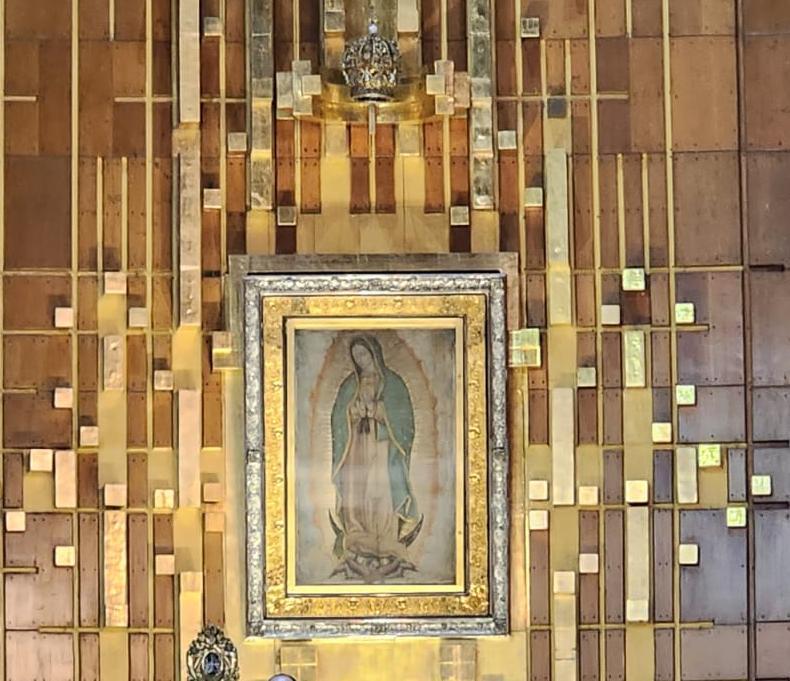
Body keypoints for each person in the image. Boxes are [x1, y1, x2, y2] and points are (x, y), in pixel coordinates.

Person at [328, 335, 423, 581]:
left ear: (374, 353)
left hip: (382, 446)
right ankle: (358, 537)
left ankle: (385, 539)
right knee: (357, 490)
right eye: (356, 356)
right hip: (355, 448)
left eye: (364, 354)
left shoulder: (393, 383)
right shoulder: (349, 385)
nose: (361, 360)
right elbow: (338, 417)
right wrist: (352, 413)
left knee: (380, 490)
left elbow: (405, 419)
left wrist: (381, 412)